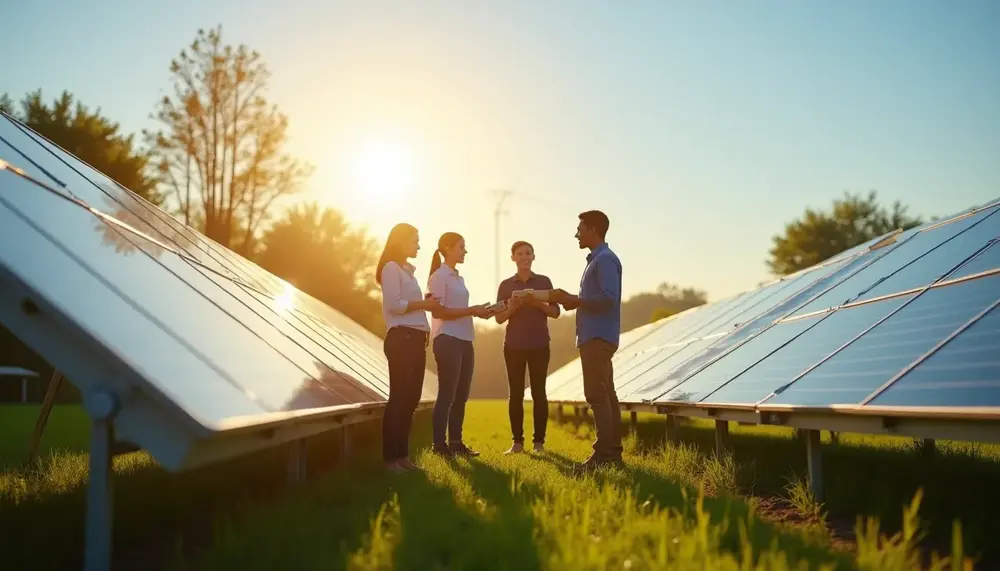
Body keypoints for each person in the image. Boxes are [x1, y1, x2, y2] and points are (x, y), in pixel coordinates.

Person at [551, 210, 624, 472]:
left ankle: (604, 455)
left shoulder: (603, 260)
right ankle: (612, 454)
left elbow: (608, 298)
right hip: (597, 336)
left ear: (593, 229)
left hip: (597, 337)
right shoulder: (598, 260)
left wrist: (576, 300)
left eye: (580, 229)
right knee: (607, 395)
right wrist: (574, 300)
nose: (576, 233)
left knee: (596, 395)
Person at [376, 223, 442, 474]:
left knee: (411, 398)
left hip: (415, 340)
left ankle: (402, 456)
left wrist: (423, 305)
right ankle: (391, 460)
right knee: (400, 398)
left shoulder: (407, 271)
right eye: (415, 240)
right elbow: (394, 305)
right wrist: (423, 304)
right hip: (401, 338)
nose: (418, 245)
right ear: (400, 241)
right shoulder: (391, 268)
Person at [427, 232, 493, 457]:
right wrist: (472, 310)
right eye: (461, 247)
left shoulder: (459, 277)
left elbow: (461, 310)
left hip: (466, 339)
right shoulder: (439, 276)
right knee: (447, 393)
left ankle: (456, 443)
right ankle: (439, 446)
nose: (465, 251)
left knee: (462, 394)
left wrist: (482, 312)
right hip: (447, 339)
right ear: (447, 247)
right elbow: (438, 311)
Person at [494, 241, 560, 454]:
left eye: (528, 253)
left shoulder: (544, 281)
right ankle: (517, 443)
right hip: (513, 345)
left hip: (540, 344)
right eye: (520, 254)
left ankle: (539, 443)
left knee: (539, 392)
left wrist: (536, 303)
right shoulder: (505, 285)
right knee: (515, 394)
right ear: (512, 257)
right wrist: (513, 307)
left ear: (533, 257)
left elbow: (555, 312)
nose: (524, 257)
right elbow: (499, 318)